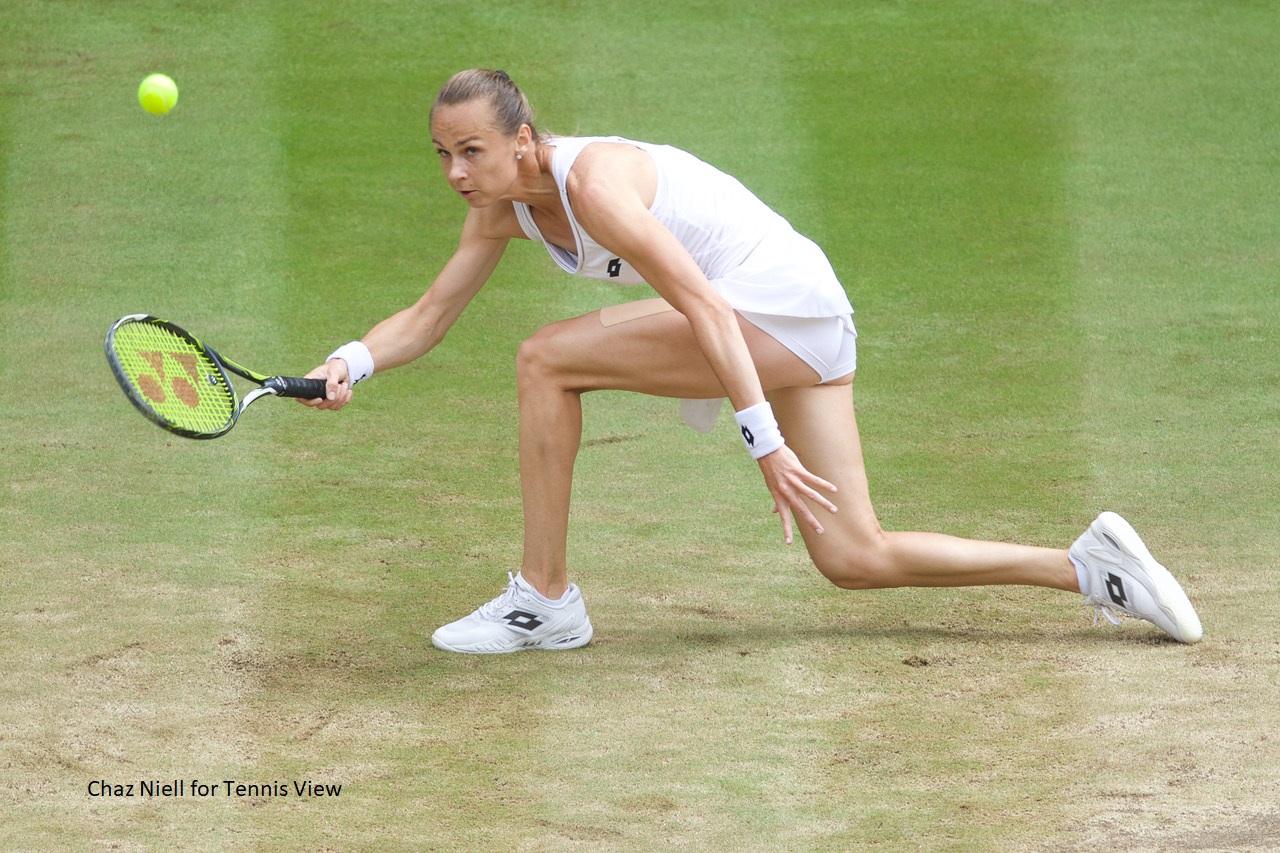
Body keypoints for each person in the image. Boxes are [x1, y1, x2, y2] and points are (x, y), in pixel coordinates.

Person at [302, 69, 1203, 654]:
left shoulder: (591, 187)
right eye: (445, 156)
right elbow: (427, 315)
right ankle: (1090, 567)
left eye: (473, 152)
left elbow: (702, 304)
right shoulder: (503, 206)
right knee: (854, 555)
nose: (458, 172)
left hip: (778, 307)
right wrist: (353, 360)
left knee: (545, 358)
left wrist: (763, 440)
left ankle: (544, 597)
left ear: (524, 141)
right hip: (805, 313)